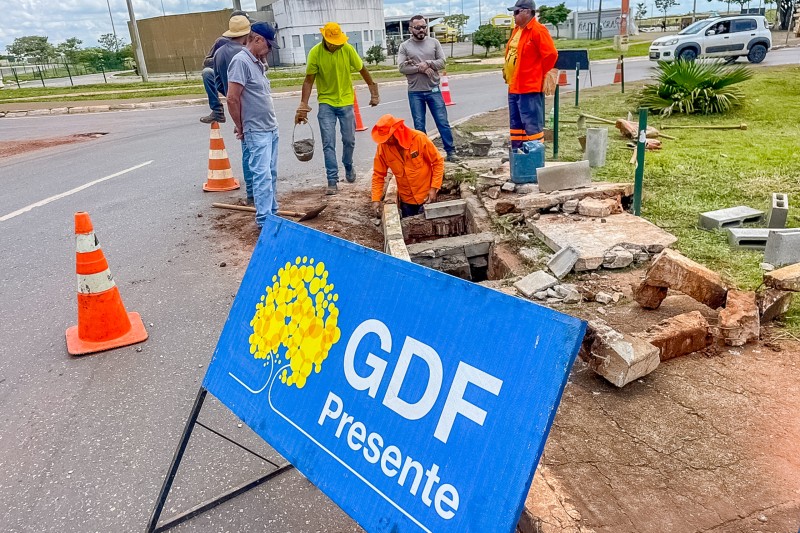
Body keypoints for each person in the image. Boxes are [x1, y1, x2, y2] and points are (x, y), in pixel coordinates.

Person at [295, 22, 380, 196]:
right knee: (328, 143)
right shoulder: (315, 53)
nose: (337, 44)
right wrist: (303, 105)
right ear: (326, 39)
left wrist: (373, 91)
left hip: (346, 102)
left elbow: (362, 69)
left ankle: (348, 164)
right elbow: (309, 80)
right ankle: (332, 180)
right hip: (326, 103)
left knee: (349, 140)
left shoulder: (347, 49)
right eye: (333, 41)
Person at [226, 22, 281, 228]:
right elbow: (232, 98)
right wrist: (240, 126)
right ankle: (265, 221)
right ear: (257, 40)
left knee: (271, 174)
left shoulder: (257, 62)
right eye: (268, 45)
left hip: (270, 127)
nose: (269, 50)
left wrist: (263, 58)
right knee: (262, 176)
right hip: (256, 130)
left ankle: (273, 214)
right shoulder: (240, 61)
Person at [397, 15, 458, 163]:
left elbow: (442, 62)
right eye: (417, 27)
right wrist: (421, 68)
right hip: (415, 92)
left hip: (433, 89)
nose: (421, 30)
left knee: (442, 121)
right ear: (411, 29)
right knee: (419, 126)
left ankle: (450, 151)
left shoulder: (434, 42)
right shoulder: (405, 46)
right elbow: (402, 67)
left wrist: (429, 63)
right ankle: (424, 156)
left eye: (424, 26)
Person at [504, 0, 558, 150]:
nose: (513, 15)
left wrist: (538, 74)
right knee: (516, 127)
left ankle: (534, 158)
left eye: (516, 12)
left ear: (527, 12)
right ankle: (518, 154)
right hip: (514, 87)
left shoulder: (538, 30)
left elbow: (551, 55)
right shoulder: (517, 30)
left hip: (529, 88)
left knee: (531, 126)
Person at [370, 114, 444, 219]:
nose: (385, 141)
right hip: (407, 199)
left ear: (396, 132)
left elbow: (438, 162)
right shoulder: (383, 148)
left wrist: (434, 188)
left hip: (426, 195)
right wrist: (376, 199)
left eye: (388, 138)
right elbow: (378, 175)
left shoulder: (419, 138)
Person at [200, 11, 251, 124]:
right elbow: (206, 62)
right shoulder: (221, 42)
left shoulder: (252, 41)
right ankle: (217, 111)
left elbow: (264, 65)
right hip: (226, 78)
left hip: (245, 81)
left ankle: (244, 119)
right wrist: (222, 59)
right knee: (207, 72)